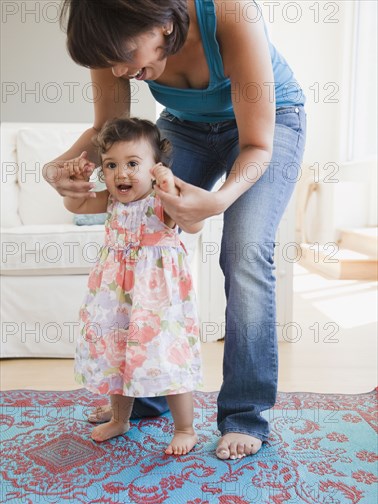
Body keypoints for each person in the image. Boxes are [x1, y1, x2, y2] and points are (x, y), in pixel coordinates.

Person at [44, 0, 307, 460]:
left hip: (269, 128)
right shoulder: (114, 45)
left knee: (244, 249)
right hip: (183, 128)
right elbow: (107, 128)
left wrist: (218, 201)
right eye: (110, 64)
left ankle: (245, 415)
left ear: (163, 22)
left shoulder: (229, 14)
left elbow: (257, 144)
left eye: (127, 57)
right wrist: (55, 167)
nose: (121, 72)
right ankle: (145, 392)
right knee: (141, 244)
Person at [64, 117, 203, 455]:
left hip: (157, 301)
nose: (121, 174)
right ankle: (120, 418)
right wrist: (77, 183)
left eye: (132, 164)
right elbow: (76, 204)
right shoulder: (111, 202)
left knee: (167, 356)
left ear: (156, 168)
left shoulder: (161, 202)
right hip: (116, 299)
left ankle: (185, 427)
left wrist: (170, 188)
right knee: (118, 355)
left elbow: (194, 223)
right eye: (110, 165)